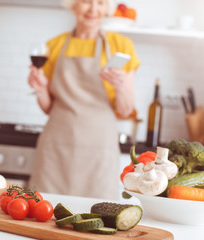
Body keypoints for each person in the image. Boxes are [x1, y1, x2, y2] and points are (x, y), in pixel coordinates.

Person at [27, 0, 140, 200]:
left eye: (100, 3)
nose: (94, 9)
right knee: (43, 212)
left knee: (94, 217)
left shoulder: (120, 46)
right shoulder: (54, 45)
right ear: (73, 4)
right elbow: (48, 108)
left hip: (99, 150)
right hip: (56, 148)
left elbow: (125, 110)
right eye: (87, 1)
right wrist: (41, 88)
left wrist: (121, 86)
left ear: (107, 8)